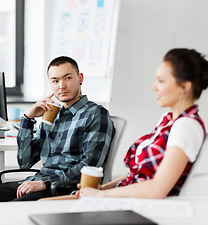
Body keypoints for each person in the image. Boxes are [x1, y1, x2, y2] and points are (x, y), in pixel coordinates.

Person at [0, 56, 115, 203]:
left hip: (65, 187)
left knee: (12, 209)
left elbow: (89, 166)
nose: (61, 86)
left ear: (80, 78)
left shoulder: (95, 114)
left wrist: (46, 183)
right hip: (38, 182)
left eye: (68, 78)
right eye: (55, 80)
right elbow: (25, 162)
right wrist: (27, 119)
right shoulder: (52, 114)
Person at [79, 48, 208, 199]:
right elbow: (138, 174)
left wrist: (101, 195)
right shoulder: (168, 120)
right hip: (130, 199)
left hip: (143, 206)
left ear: (185, 87)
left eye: (161, 81)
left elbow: (158, 189)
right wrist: (102, 189)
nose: (154, 87)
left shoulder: (186, 126)